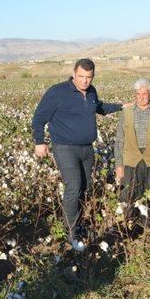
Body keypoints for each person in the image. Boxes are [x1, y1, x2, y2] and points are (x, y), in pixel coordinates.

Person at [32, 58, 122, 251]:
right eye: (81, 76)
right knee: (73, 186)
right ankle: (71, 233)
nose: (84, 81)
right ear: (74, 73)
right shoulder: (57, 92)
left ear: (93, 76)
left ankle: (78, 224)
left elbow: (99, 107)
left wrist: (122, 106)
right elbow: (39, 117)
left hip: (86, 148)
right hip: (65, 148)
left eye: (88, 77)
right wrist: (39, 142)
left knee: (85, 187)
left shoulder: (91, 92)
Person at [114, 78, 150, 212]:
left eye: (144, 94)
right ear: (135, 95)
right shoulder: (126, 113)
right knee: (129, 194)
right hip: (131, 159)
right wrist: (119, 165)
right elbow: (119, 140)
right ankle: (130, 224)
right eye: (138, 94)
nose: (141, 97)